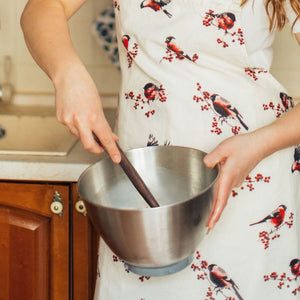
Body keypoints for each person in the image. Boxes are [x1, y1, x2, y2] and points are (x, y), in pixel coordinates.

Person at [21, 0, 300, 299]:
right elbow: (43, 9)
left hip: (251, 176)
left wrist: (259, 144)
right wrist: (67, 75)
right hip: (143, 190)